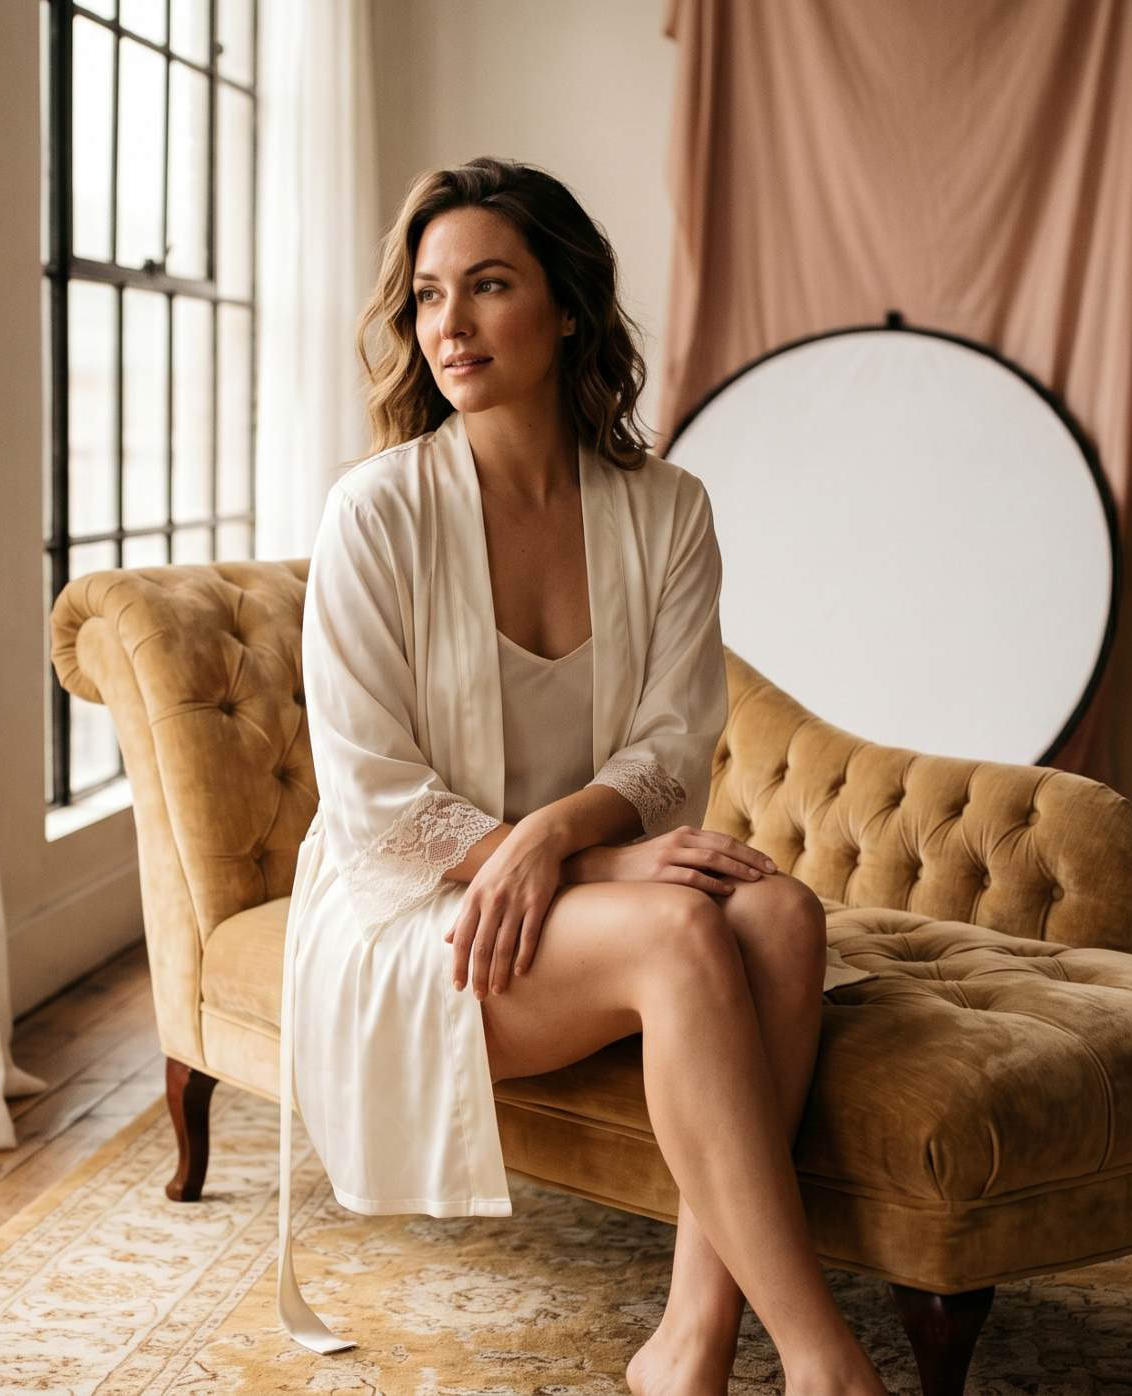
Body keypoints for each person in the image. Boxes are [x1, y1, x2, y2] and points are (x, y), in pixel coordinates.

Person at [281, 156, 888, 1396]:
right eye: (427, 296)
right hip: (411, 909)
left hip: (570, 880)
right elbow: (374, 803)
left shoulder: (668, 510)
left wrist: (561, 836)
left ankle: (690, 1343)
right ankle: (827, 1362)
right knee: (677, 935)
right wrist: (581, 854)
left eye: (487, 286)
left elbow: (673, 748)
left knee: (779, 913)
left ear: (565, 307)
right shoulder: (375, 513)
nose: (447, 325)